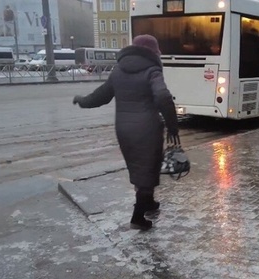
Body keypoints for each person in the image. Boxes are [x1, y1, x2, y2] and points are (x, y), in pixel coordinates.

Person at [72, 34, 179, 231]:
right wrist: (173, 125)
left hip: (123, 130)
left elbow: (100, 96)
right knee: (147, 169)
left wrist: (82, 100)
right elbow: (163, 96)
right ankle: (138, 218)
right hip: (147, 129)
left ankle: (149, 203)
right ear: (153, 52)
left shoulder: (118, 71)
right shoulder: (152, 70)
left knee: (139, 168)